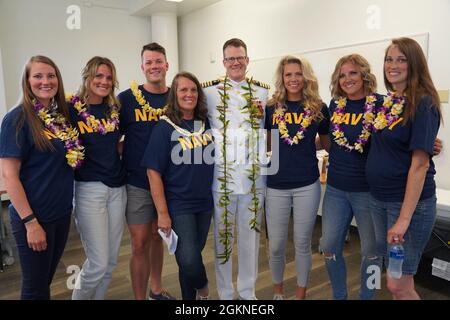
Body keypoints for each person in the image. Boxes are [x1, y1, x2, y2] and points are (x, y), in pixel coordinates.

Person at [0, 55, 84, 299]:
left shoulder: (59, 119)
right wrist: (30, 223)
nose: (45, 81)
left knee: (45, 281)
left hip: (60, 214)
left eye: (51, 75)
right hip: (35, 218)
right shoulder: (16, 119)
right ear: (27, 81)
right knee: (34, 288)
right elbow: (9, 177)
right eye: (38, 76)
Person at [367, 37, 442, 300]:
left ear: (414, 64)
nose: (393, 64)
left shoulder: (423, 102)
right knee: (394, 278)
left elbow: (420, 165)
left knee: (399, 285)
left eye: (401, 59)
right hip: (380, 200)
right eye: (389, 59)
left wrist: (403, 220)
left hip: (407, 206)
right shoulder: (389, 102)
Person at [202, 38, 269, 300]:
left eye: (240, 57)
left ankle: (247, 291)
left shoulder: (262, 92)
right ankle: (226, 293)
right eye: (230, 58)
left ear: (247, 60)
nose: (235, 62)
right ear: (223, 62)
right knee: (223, 237)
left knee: (251, 237)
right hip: (222, 177)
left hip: (253, 179)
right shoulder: (209, 92)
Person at [142, 72, 214, 300]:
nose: (189, 94)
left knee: (187, 258)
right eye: (183, 90)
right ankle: (203, 287)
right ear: (175, 94)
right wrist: (162, 214)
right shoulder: (164, 127)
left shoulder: (204, 123)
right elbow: (153, 172)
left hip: (204, 202)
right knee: (190, 258)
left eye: (193, 90)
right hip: (179, 203)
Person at [264, 56, 330, 300]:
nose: (293, 79)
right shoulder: (271, 107)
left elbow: (326, 143)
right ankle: (278, 293)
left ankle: (300, 294)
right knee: (276, 245)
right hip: (276, 185)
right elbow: (268, 143)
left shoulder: (318, 108)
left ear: (306, 77)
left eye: (298, 74)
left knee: (303, 243)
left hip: (307, 185)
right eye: (288, 74)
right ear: (282, 78)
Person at [320, 54, 383, 300]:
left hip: (369, 191)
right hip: (336, 189)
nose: (347, 79)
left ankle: (368, 296)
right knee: (328, 247)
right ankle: (340, 295)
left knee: (373, 252)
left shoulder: (382, 104)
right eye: (342, 75)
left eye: (353, 73)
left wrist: (429, 142)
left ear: (364, 75)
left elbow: (400, 134)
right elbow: (329, 141)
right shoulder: (336, 105)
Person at [118, 42, 175, 300]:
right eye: (149, 62)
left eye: (158, 61)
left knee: (157, 236)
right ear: (142, 67)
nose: (154, 66)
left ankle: (156, 289)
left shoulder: (177, 97)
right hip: (139, 182)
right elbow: (110, 136)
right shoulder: (127, 99)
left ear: (167, 65)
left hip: (170, 183)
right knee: (139, 242)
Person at [68, 57, 126, 300]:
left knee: (111, 261)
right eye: (98, 76)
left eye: (109, 77)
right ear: (88, 77)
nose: (104, 81)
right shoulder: (71, 109)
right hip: (88, 190)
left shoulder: (115, 109)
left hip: (117, 189)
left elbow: (116, 143)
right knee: (98, 262)